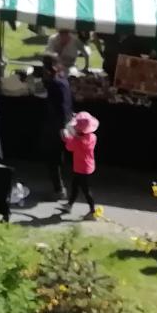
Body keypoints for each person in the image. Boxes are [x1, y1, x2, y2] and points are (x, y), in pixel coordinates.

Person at [41, 58, 75, 205]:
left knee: (53, 157)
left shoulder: (54, 83)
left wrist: (61, 127)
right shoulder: (63, 80)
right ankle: (61, 188)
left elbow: (60, 106)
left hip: (57, 126)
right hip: (66, 122)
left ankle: (59, 189)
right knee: (59, 157)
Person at [62, 110, 100, 218]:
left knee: (85, 190)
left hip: (80, 169)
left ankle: (92, 211)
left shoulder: (76, 141)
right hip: (88, 167)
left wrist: (66, 136)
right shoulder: (92, 137)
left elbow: (69, 147)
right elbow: (78, 138)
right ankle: (69, 205)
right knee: (75, 186)